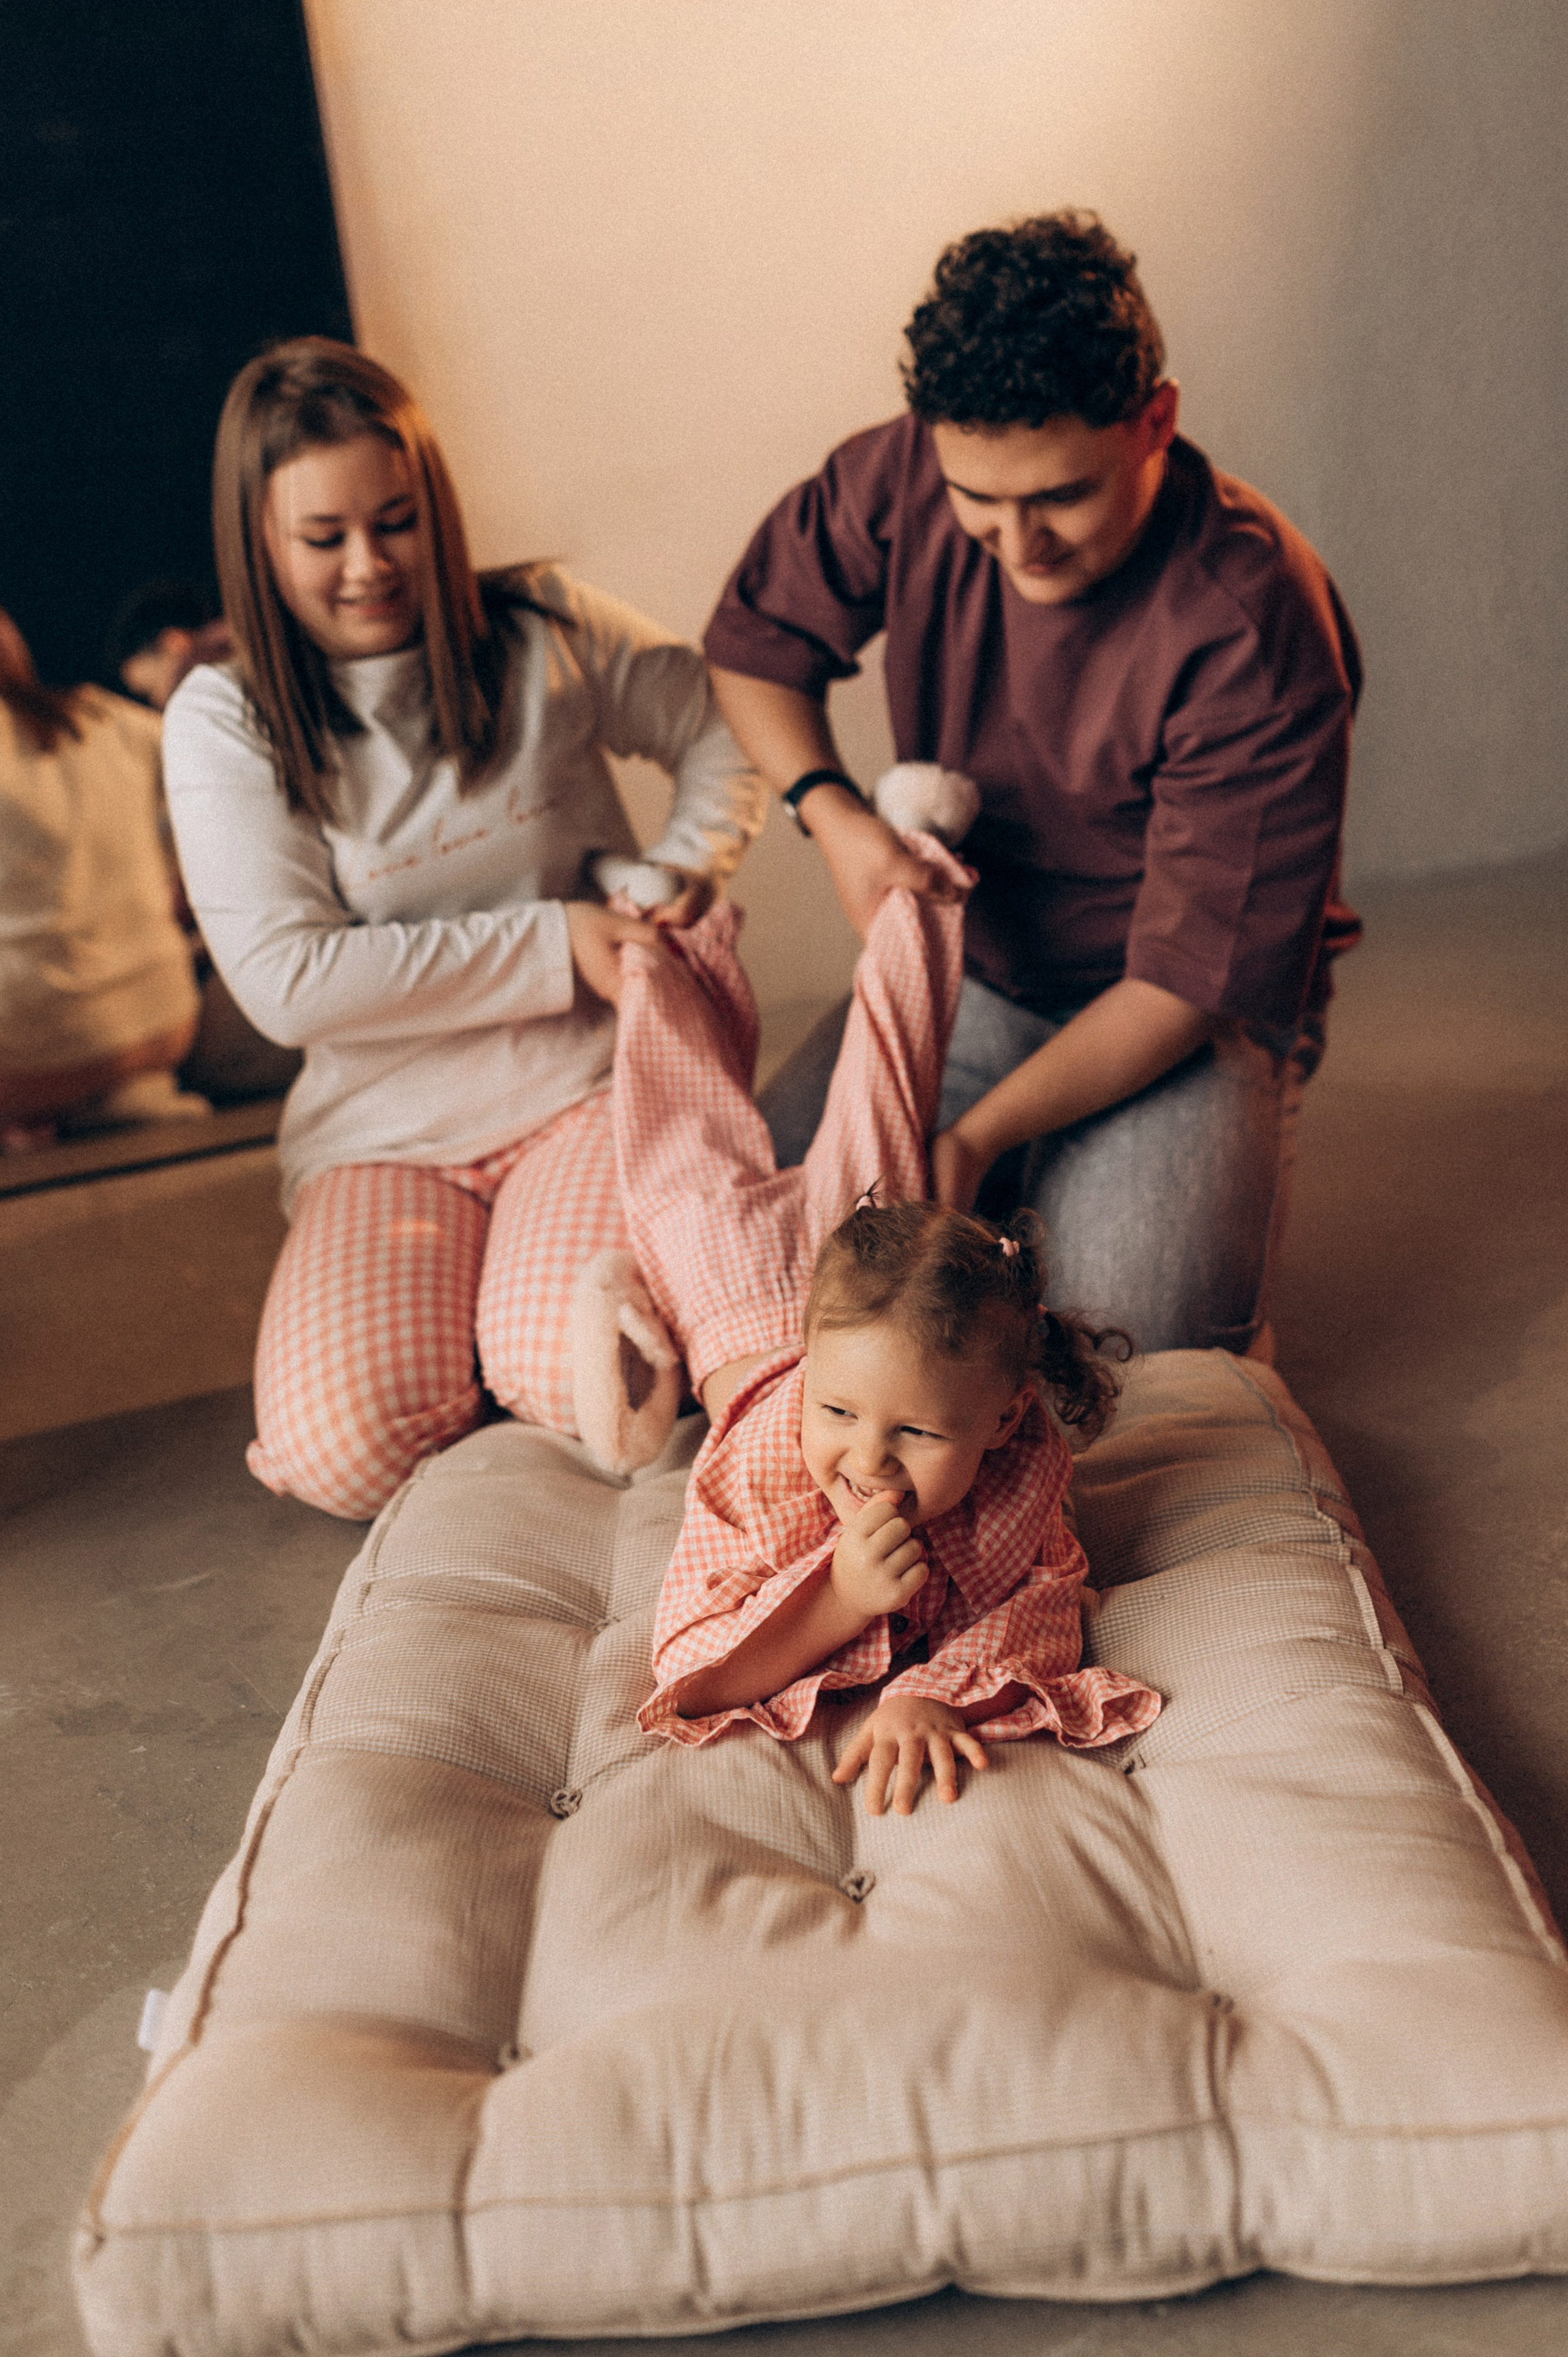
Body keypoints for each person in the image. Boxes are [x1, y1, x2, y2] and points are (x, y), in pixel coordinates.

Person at [704, 211, 1362, 1358]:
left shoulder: (1254, 620)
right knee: (747, 1240)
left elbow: (1188, 984)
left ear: (1157, 420)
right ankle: (1016, 1170)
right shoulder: (904, 471)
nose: (1018, 545)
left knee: (1121, 1348)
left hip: (1177, 1015)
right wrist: (835, 812)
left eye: (1061, 495)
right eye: (979, 500)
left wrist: (971, 1139)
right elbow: (752, 652)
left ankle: (1072, 1179)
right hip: (977, 973)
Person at [162, 338, 764, 1520]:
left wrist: (685, 867)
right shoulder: (222, 716)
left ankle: (512, 1350)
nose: (369, 567)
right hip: (384, 1132)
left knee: (586, 1390)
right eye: (322, 538)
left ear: (434, 504)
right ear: (259, 541)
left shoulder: (542, 629)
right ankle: (475, 1351)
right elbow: (289, 982)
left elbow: (724, 724)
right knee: (340, 1449)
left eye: (396, 521)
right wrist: (556, 943)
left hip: (583, 1087)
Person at [607, 853, 1161, 1817]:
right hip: (732, 1279)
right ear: (812, 1383)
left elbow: (1044, 1601)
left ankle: (926, 869)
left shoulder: (1022, 1459)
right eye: (839, 1412)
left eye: (916, 1432)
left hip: (856, 1299)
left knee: (886, 1092)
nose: (867, 1458)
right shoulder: (770, 1466)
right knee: (677, 1129)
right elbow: (689, 1666)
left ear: (1002, 1419)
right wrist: (838, 1601)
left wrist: (927, 1693)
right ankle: (660, 945)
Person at [0, 607, 208, 1151]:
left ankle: (36, 1115)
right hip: (164, 1023)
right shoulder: (106, 717)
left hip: (25, 1062)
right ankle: (115, 1097)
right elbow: (209, 777)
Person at [107, 581, 234, 713]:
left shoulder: (202, 696)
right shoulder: (244, 635)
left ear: (175, 642)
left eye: (151, 690)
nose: (158, 703)